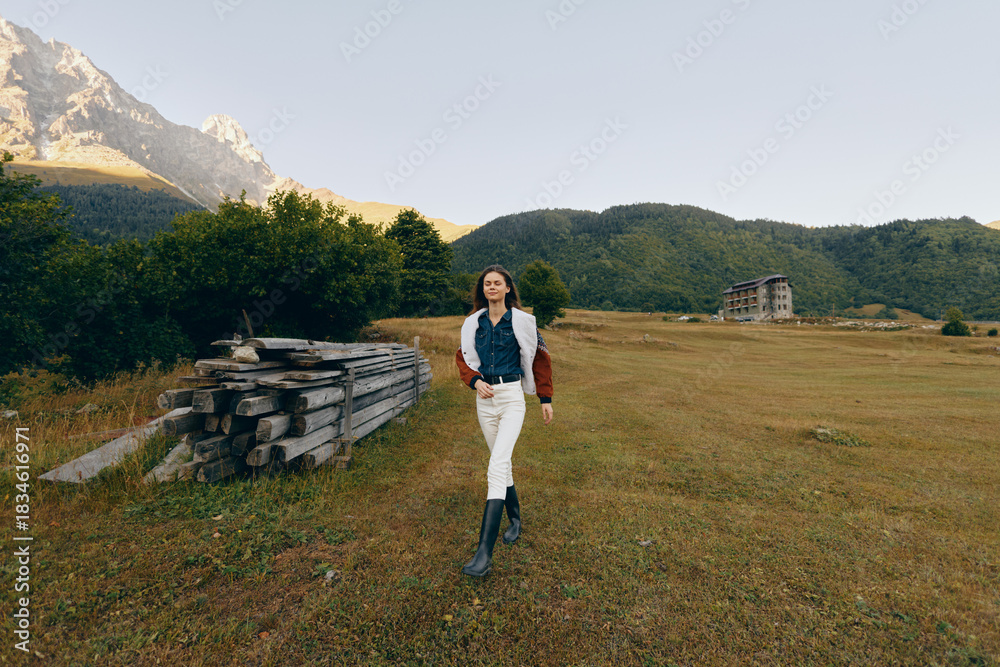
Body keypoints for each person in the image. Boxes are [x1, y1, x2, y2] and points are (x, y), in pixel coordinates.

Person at [454, 264, 553, 577]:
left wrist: (545, 398)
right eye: (487, 283)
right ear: (482, 290)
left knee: (496, 466)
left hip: (511, 398)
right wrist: (474, 381)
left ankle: (484, 552)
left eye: (498, 283)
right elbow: (462, 357)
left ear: (508, 288)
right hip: (485, 400)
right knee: (502, 462)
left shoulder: (523, 322)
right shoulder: (473, 323)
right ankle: (516, 519)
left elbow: (540, 357)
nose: (492, 287)